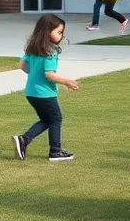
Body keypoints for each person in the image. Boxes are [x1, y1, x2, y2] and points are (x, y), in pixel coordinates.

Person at [11, 14, 79, 162]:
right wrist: (66, 81)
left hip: (31, 92)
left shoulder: (32, 48)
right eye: (59, 32)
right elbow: (49, 74)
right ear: (48, 31)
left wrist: (35, 74)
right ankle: (55, 151)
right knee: (55, 119)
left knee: (46, 120)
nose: (61, 35)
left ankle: (24, 140)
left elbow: (22, 66)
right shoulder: (50, 51)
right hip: (45, 93)